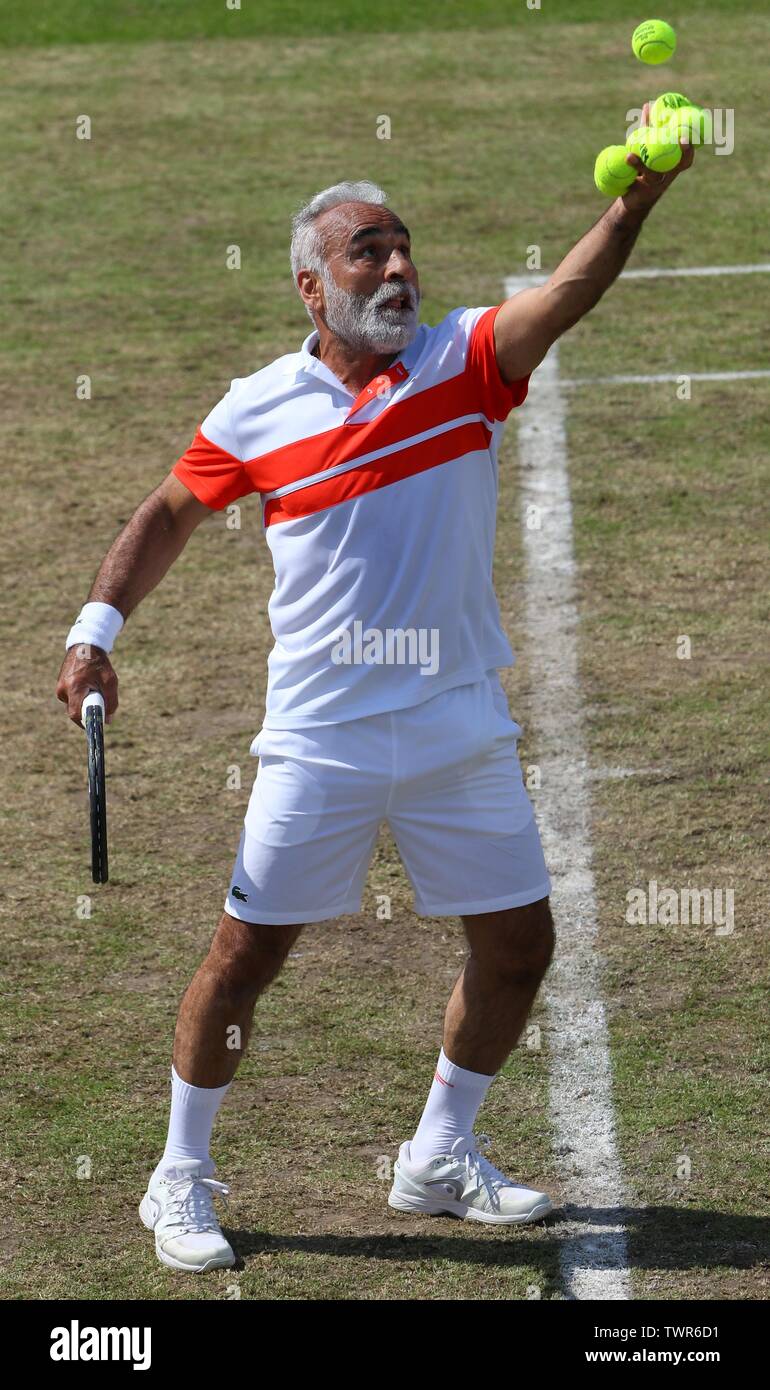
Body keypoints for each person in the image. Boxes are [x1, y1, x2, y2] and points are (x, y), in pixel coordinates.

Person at [56, 119, 693, 1273]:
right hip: (321, 736)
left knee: (518, 946)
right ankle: (178, 1175)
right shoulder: (256, 407)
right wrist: (96, 629)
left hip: (459, 719)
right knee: (245, 957)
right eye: (368, 252)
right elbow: (168, 514)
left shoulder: (464, 361)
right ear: (312, 286)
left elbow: (565, 295)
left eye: (403, 248)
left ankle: (437, 1155)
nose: (398, 267)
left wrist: (631, 204)